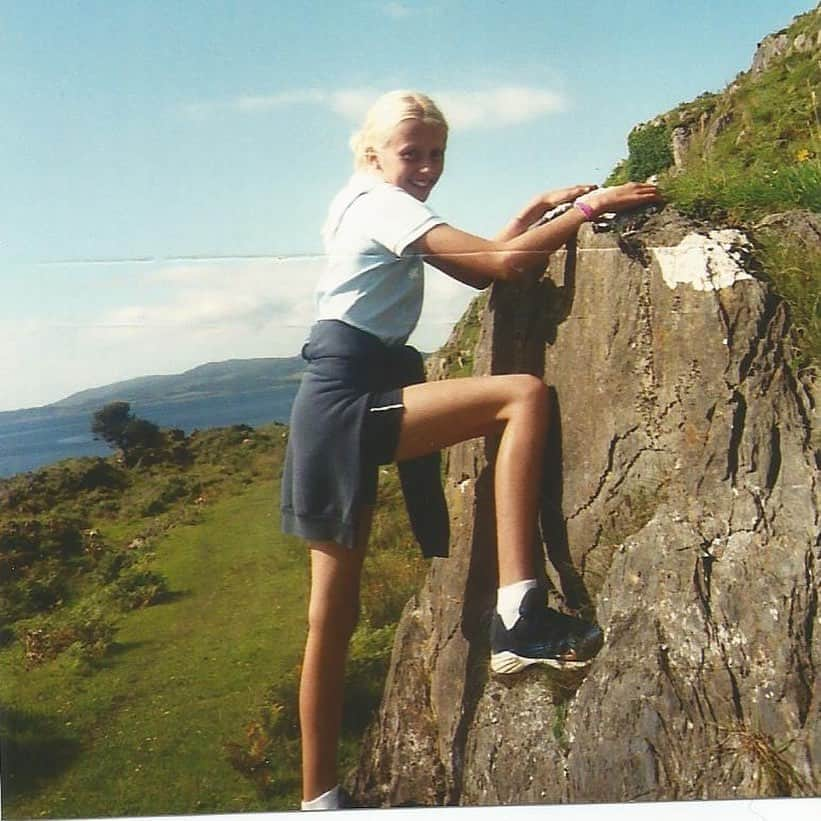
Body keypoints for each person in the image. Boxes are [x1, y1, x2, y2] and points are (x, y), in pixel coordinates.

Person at [281, 90, 661, 811]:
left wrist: (530, 216)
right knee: (520, 395)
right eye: (411, 153)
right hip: (349, 398)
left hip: (334, 403)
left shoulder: (360, 198)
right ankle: (518, 617)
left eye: (436, 154)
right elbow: (499, 268)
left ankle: (317, 800)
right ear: (373, 153)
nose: (425, 167)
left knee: (329, 620)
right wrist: (582, 213)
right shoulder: (383, 204)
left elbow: (482, 258)